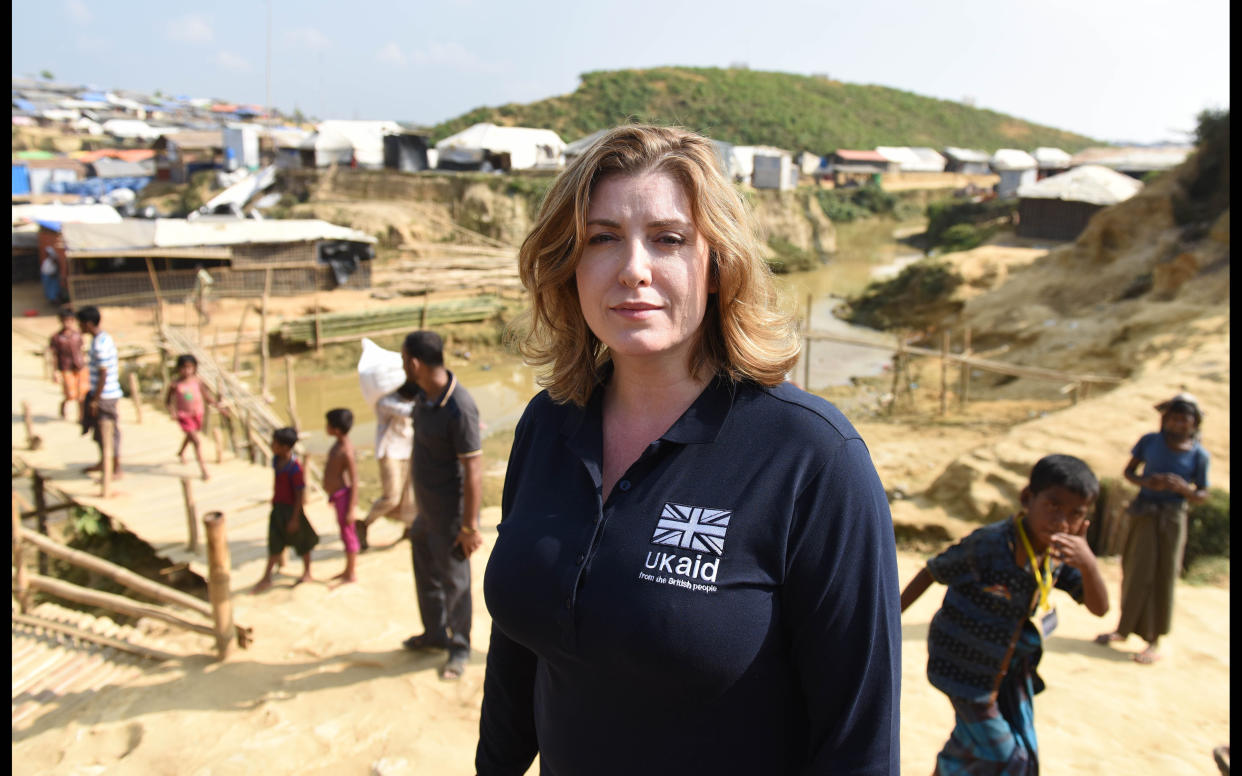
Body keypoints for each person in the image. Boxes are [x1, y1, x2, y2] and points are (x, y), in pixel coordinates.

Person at [475, 125, 901, 775]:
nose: (633, 270)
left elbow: (859, 743)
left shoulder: (813, 459)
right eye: (602, 238)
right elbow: (519, 652)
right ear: (570, 264)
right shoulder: (547, 425)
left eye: (669, 239)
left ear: (716, 266)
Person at [900, 454, 1110, 775]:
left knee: (1012, 750)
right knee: (1006, 757)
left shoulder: (1058, 554)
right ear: (1027, 498)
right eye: (1054, 506)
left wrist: (1089, 564)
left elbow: (1099, 608)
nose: (1061, 521)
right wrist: (888, 621)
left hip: (1008, 671)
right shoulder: (989, 545)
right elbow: (932, 571)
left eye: (1075, 514)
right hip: (964, 668)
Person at [1095, 392, 1210, 664]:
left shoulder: (1199, 455)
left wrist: (1184, 489)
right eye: (1174, 418)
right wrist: (1150, 482)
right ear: (1165, 420)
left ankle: (1153, 639)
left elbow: (1203, 493)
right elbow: (1129, 473)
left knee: (1164, 573)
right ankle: (1122, 630)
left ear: (1194, 424)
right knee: (1135, 569)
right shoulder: (1150, 442)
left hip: (1173, 519)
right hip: (1144, 513)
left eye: (1185, 420)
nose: (1179, 424)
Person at [400, 330, 483, 683]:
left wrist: (469, 527)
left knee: (456, 583)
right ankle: (434, 633)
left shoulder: (458, 407)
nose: (403, 366)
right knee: (425, 575)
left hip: (451, 517)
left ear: (415, 363)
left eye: (404, 360)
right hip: (426, 512)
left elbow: (474, 470)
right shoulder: (423, 396)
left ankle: (459, 647)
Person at [253, 427, 319, 593]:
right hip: (278, 508)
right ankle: (267, 576)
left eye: (274, 443)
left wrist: (295, 518)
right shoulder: (276, 460)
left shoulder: (295, 469)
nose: (271, 445)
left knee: (302, 542)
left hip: (292, 511)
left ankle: (307, 572)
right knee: (274, 541)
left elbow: (299, 495)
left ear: (284, 447)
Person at [356, 384, 417, 552]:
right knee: (392, 497)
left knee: (410, 496)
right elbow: (409, 412)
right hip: (390, 452)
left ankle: (409, 528)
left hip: (409, 450)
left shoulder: (414, 400)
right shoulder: (386, 401)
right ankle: (365, 523)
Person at [75, 305, 123, 479]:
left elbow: (104, 373)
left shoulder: (100, 345)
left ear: (87, 324)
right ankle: (104, 462)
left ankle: (116, 468)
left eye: (80, 324)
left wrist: (96, 399)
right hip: (100, 392)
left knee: (109, 430)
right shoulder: (100, 339)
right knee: (98, 430)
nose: (78, 327)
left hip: (105, 396)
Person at [164, 354, 223, 481]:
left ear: (194, 368)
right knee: (196, 441)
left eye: (190, 368)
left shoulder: (198, 381)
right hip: (184, 416)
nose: (187, 371)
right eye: (183, 368)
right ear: (178, 368)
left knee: (191, 435)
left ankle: (181, 452)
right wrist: (172, 412)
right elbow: (167, 402)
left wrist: (218, 406)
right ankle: (204, 470)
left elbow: (207, 397)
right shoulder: (175, 384)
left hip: (198, 414)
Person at [323, 408, 361, 584]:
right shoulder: (337, 445)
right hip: (337, 496)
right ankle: (347, 569)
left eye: (328, 425)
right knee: (344, 533)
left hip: (344, 498)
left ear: (336, 429)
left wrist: (351, 509)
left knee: (348, 534)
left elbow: (354, 479)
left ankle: (351, 572)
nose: (325, 428)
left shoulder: (345, 450)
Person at [48, 306, 88, 421]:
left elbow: (82, 350)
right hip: (66, 367)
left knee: (82, 394)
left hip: (80, 366)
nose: (68, 323)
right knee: (71, 394)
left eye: (70, 320)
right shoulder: (56, 337)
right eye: (65, 320)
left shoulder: (77, 335)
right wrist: (55, 372)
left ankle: (81, 417)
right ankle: (64, 404)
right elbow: (54, 355)